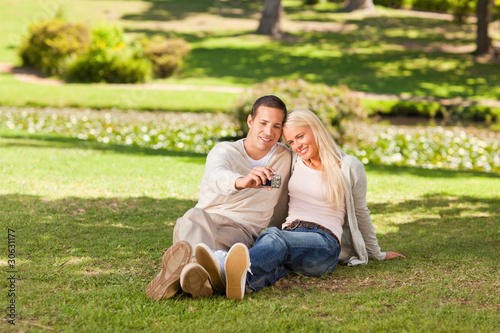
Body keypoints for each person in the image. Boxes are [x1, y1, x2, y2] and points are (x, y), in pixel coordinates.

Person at [195, 108, 405, 300]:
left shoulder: (349, 167)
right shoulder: (294, 161)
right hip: (290, 237)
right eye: (291, 142)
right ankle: (236, 282)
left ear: (316, 129)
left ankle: (226, 265)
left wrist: (377, 253)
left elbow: (361, 212)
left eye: (300, 136)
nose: (297, 146)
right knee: (275, 263)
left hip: (323, 244)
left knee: (273, 236)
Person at [146, 95, 292, 300]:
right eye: (263, 123)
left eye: (277, 126)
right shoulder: (224, 150)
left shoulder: (285, 158)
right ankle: (195, 272)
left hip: (239, 230)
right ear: (250, 121)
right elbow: (217, 174)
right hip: (206, 220)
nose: (269, 132)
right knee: (191, 217)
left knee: (207, 249)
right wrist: (241, 181)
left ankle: (183, 273)